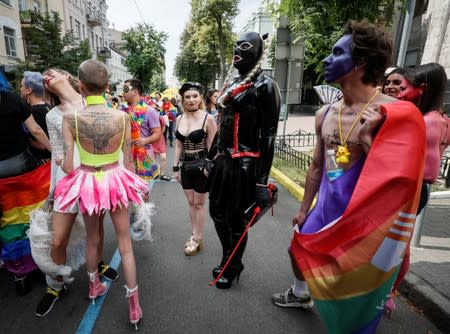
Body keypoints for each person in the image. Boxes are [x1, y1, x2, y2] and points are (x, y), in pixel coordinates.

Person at [271, 20, 425, 333]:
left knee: (358, 284)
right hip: (326, 207)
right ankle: (302, 295)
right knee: (297, 249)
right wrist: (304, 208)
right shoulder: (324, 114)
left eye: (336, 52)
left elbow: (403, 184)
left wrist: (369, 141)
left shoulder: (397, 115)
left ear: (360, 62)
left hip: (366, 219)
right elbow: (317, 166)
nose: (327, 59)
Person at [54, 60, 148, 329]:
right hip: (116, 180)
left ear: (80, 86)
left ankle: (94, 287)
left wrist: (61, 160)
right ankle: (134, 306)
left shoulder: (70, 119)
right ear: (107, 86)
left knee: (93, 238)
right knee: (125, 244)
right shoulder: (122, 117)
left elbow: (69, 166)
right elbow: (128, 163)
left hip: (87, 182)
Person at [35, 68, 118, 317]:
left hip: (95, 178)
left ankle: (99, 263)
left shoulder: (94, 101)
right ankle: (55, 286)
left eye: (51, 72)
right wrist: (53, 190)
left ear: (68, 76)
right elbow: (56, 152)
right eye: (43, 77)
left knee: (97, 229)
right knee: (58, 238)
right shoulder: (51, 115)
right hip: (67, 180)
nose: (46, 76)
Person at [208, 32, 280, 288]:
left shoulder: (266, 85)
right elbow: (222, 124)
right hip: (223, 162)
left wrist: (261, 182)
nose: (238, 49)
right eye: (236, 45)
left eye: (245, 45)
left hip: (245, 164)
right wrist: (212, 156)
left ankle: (232, 264)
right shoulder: (230, 84)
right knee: (216, 213)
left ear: (258, 53)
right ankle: (230, 259)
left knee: (236, 218)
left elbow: (269, 136)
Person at [385, 62, 449, 316]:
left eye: (405, 86)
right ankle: (385, 294)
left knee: (397, 246)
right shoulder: (435, 118)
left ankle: (386, 295)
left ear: (422, 89)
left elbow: (430, 172)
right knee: (397, 243)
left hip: (410, 190)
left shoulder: (430, 122)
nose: (400, 91)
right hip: (408, 189)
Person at [0, 70, 51, 295]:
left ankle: (19, 271)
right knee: (32, 216)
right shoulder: (13, 100)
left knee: (9, 223)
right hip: (23, 169)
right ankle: (40, 263)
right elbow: (36, 131)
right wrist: (55, 150)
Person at [173, 82, 217, 256]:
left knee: (199, 204)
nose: (191, 100)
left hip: (201, 165)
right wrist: (175, 167)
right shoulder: (179, 118)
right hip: (186, 166)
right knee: (191, 203)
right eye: (187, 97)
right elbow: (178, 146)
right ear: (183, 99)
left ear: (200, 98)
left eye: (194, 96)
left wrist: (208, 165)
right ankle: (195, 234)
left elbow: (213, 146)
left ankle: (196, 238)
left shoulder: (208, 119)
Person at [121, 79, 161, 181]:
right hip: (125, 155)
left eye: (125, 89)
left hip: (144, 156)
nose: (123, 92)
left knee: (144, 192)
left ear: (135, 92)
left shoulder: (150, 111)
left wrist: (145, 140)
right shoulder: (121, 112)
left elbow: (157, 133)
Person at [20, 71, 51, 163]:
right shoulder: (47, 106)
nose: (20, 89)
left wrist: (25, 140)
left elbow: (42, 145)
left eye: (21, 86)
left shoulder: (34, 112)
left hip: (43, 161)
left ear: (28, 90)